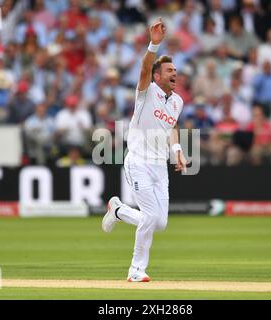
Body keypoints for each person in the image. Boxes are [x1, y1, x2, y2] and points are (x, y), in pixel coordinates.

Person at [102, 18, 186, 282]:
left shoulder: (178, 102)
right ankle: (136, 270)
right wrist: (154, 44)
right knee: (150, 217)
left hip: (160, 165)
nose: (174, 74)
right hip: (137, 161)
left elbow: (171, 127)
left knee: (159, 222)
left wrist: (177, 149)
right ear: (157, 76)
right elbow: (144, 68)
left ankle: (118, 210)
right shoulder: (146, 92)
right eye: (169, 70)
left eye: (176, 71)